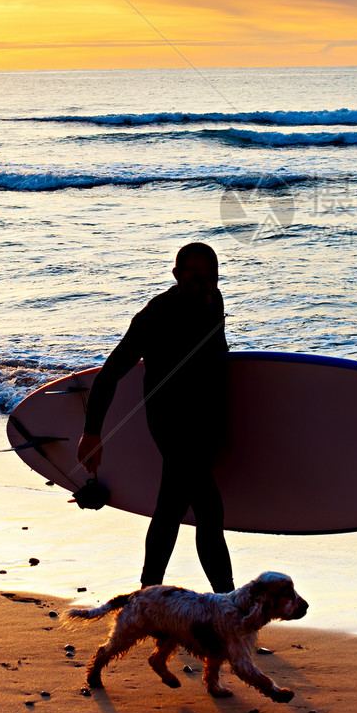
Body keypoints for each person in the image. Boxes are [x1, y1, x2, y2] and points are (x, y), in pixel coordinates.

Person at [76, 243, 234, 592]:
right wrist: (92, 433)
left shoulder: (214, 299)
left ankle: (147, 595)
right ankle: (230, 609)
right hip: (170, 421)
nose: (206, 288)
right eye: (196, 281)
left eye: (213, 280)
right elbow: (109, 374)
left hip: (204, 420)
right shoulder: (153, 318)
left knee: (171, 507)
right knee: (209, 509)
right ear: (177, 277)